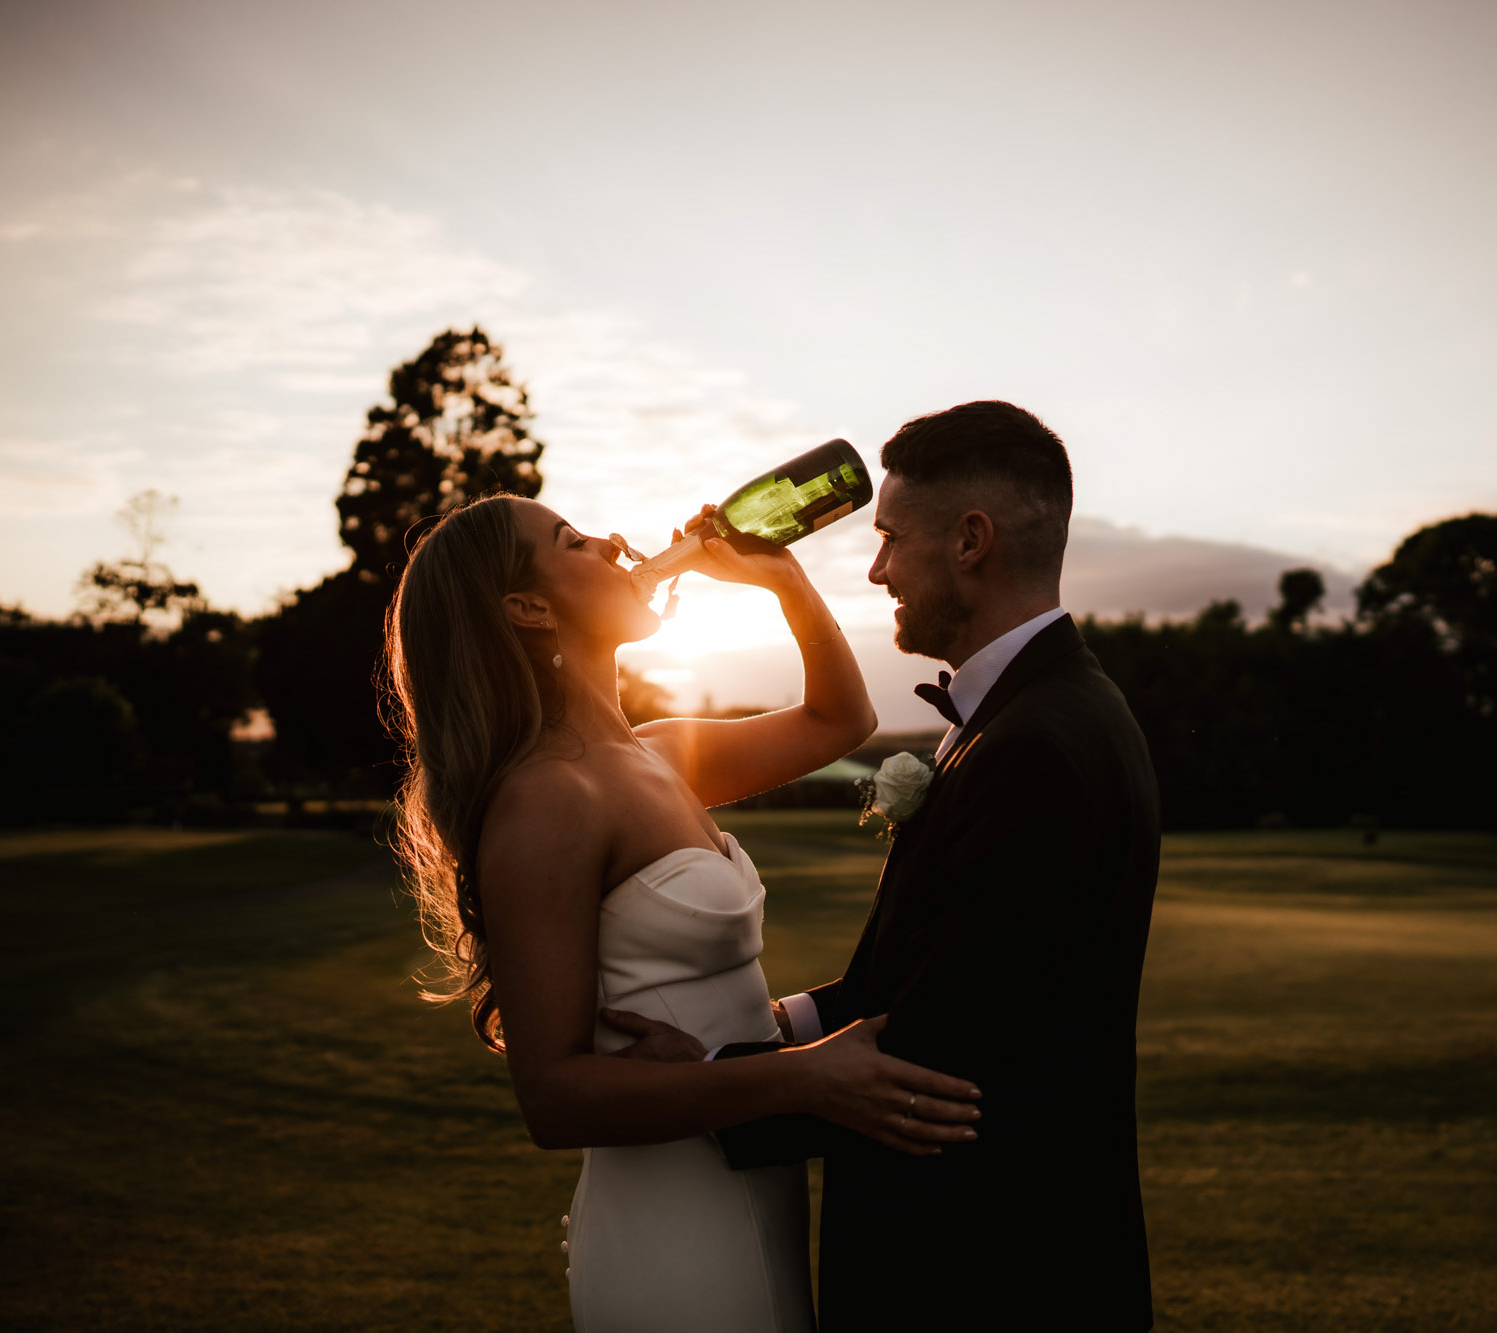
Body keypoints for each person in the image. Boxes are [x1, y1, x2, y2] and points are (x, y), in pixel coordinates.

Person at [381, 494, 984, 1333]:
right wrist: (805, 1073)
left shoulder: (657, 753)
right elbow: (552, 1097)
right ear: (528, 607)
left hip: (747, 1182)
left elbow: (840, 719)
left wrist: (781, 579)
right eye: (573, 540)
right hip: (671, 1221)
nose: (614, 540)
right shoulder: (547, 800)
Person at [624, 400, 1161, 1330]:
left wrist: (711, 1079)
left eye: (888, 540)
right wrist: (766, 1021)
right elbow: (909, 980)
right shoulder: (1037, 715)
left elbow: (929, 1058)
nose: (876, 571)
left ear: (970, 540)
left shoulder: (1038, 745)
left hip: (990, 1273)